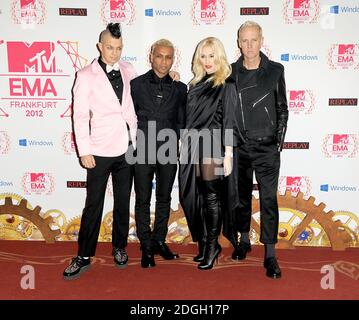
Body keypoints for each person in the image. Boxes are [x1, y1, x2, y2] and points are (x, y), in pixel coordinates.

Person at [63, 23, 137, 280]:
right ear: (99, 46)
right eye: (109, 48)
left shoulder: (129, 69)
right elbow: (80, 116)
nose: (114, 53)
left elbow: (133, 104)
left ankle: (119, 247)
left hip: (127, 147)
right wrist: (85, 150)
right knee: (93, 203)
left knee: (123, 201)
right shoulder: (85, 75)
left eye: (118, 48)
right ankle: (83, 255)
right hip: (99, 149)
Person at [223, 21, 289, 279]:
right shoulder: (229, 71)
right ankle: (242, 240)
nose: (249, 46)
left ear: (262, 40)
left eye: (254, 40)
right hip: (239, 147)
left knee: (269, 200)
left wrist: (278, 143)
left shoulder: (275, 70)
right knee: (240, 197)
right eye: (244, 41)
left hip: (267, 148)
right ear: (238, 42)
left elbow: (282, 108)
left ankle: (270, 255)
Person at [130, 39, 187, 268]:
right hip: (142, 148)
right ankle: (146, 246)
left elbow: (182, 121)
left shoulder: (181, 88)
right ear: (151, 56)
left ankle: (159, 241)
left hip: (168, 149)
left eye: (168, 57)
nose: (164, 61)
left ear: (173, 59)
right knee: (143, 200)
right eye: (159, 56)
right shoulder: (135, 85)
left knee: (164, 198)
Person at [179, 37, 234, 270]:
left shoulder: (226, 84)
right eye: (203, 56)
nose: (208, 61)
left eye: (212, 56)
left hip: (213, 144)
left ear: (219, 57)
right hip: (192, 144)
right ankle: (204, 243)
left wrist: (229, 153)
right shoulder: (194, 84)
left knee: (211, 197)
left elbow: (229, 120)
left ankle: (212, 246)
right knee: (193, 196)